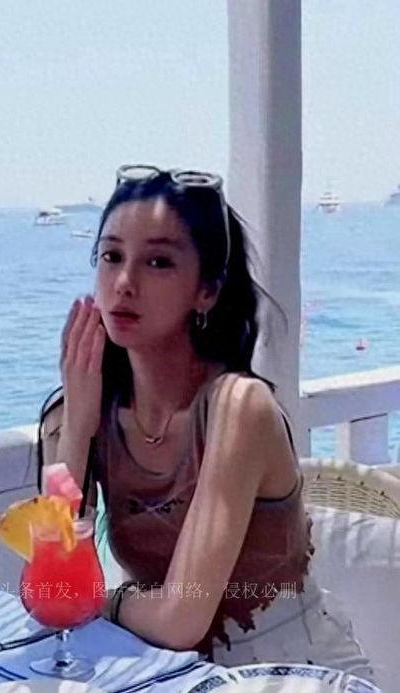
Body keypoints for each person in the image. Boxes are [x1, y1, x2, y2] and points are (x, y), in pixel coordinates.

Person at [46, 165, 375, 681]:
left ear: (207, 291)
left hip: (292, 672)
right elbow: (55, 591)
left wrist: (103, 602)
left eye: (158, 262)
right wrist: (78, 431)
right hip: (169, 675)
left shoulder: (239, 407)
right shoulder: (77, 413)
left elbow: (181, 619)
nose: (124, 282)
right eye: (111, 257)